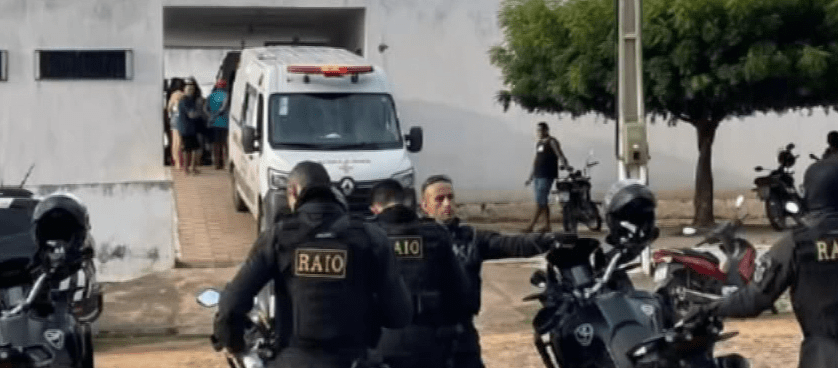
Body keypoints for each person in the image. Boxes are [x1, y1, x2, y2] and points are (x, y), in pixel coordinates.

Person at [214, 161, 413, 368]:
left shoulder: (278, 237)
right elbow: (399, 315)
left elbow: (231, 304)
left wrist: (235, 345)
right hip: (354, 360)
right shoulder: (370, 236)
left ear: (292, 191)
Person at [703, 161, 838, 368]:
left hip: (821, 357)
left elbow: (752, 301)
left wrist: (708, 308)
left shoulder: (796, 244)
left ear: (808, 194)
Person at [420, 174, 574, 368]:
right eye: (439, 199)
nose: (447, 204)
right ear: (424, 206)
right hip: (426, 333)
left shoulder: (471, 237)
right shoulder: (416, 241)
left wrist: (550, 239)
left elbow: (510, 243)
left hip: (462, 330)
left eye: (450, 197)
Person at [367, 179, 472, 368]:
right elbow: (461, 294)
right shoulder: (436, 234)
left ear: (375, 209)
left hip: (380, 346)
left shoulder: (366, 237)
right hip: (431, 344)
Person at [523, 122, 569, 233]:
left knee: (539, 201)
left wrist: (566, 165)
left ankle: (530, 225)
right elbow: (536, 161)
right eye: (537, 130)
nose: (539, 132)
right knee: (542, 201)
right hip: (537, 175)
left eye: (541, 130)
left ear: (546, 130)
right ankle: (547, 225)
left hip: (547, 175)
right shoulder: (539, 143)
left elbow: (560, 155)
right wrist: (530, 177)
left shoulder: (552, 141)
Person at [177, 80, 203, 175]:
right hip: (187, 128)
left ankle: (191, 168)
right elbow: (191, 114)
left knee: (191, 148)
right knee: (190, 149)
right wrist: (200, 112)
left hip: (188, 128)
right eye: (190, 90)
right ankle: (188, 169)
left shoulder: (187, 100)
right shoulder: (185, 101)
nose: (192, 91)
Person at [206, 79, 230, 170]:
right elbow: (224, 108)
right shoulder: (226, 95)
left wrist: (211, 116)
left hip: (213, 123)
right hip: (224, 123)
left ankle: (216, 163)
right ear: (224, 86)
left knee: (215, 144)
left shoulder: (210, 96)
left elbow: (206, 109)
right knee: (223, 143)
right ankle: (224, 163)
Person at [165, 78, 186, 168]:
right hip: (182, 119)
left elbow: (168, 108)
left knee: (174, 141)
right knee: (181, 142)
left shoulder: (173, 95)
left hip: (174, 119)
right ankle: (181, 162)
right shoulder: (183, 95)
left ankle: (176, 162)